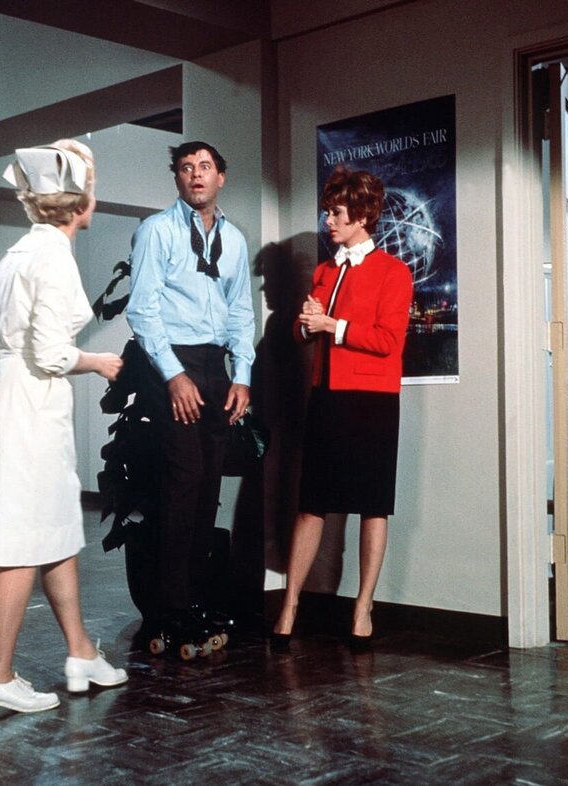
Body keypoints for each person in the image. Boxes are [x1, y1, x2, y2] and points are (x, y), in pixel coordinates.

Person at [0, 140, 128, 716]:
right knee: (22, 539)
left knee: (55, 527)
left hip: (14, 392)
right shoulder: (54, 258)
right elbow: (53, 353)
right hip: (32, 399)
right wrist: (100, 361)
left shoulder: (21, 251)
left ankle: (81, 651)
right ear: (79, 201)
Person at [271, 167, 413, 650]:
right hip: (326, 398)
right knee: (311, 505)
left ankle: (362, 607)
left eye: (336, 212)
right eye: (328, 212)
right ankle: (290, 605)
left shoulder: (395, 272)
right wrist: (306, 323)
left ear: (362, 215)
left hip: (373, 403)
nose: (328, 221)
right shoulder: (325, 271)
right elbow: (300, 333)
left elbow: (388, 341)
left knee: (373, 508)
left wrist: (333, 325)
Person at [126, 141, 255, 638]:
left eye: (204, 167)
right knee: (182, 482)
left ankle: (195, 598)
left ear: (220, 177)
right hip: (172, 363)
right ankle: (170, 609)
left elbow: (240, 311)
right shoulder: (157, 231)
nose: (196, 175)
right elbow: (142, 309)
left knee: (208, 485)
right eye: (186, 168)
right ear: (177, 178)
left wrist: (242, 375)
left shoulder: (234, 240)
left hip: (215, 366)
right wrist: (173, 375)